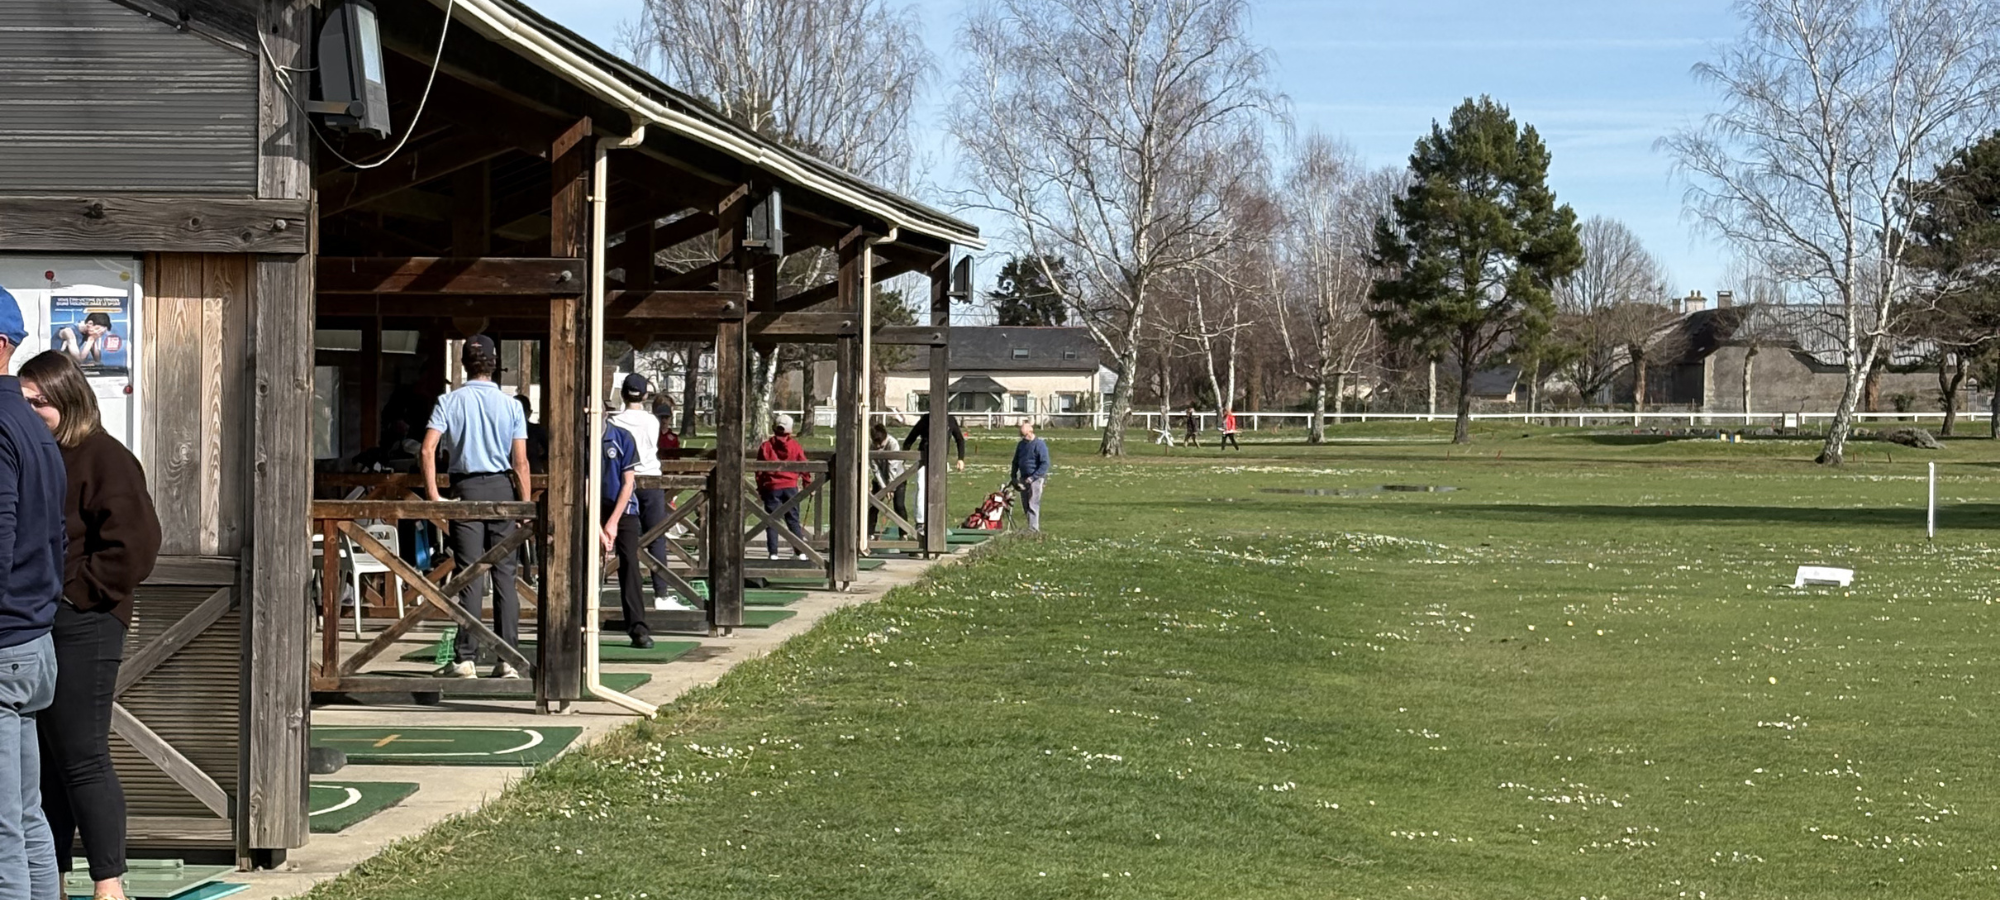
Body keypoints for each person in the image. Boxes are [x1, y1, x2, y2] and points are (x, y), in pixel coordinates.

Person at [20, 352, 159, 900]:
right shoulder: (33, 453)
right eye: (22, 401)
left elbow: (136, 547)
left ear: (67, 399)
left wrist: (76, 597)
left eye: (40, 403)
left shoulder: (105, 458)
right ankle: (49, 879)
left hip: (86, 622)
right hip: (38, 621)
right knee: (45, 762)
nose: (30, 411)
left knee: (81, 757)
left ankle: (109, 885)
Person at [0, 288, 69, 900]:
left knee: (4, 835)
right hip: (30, 639)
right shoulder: (29, 421)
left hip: (4, 643)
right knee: (25, 819)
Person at [422, 335, 532, 678]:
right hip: (502, 488)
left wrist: (433, 496)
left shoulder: (448, 401)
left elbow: (427, 450)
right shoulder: (511, 405)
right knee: (504, 575)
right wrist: (524, 507)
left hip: (466, 487)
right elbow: (521, 462)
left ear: (464, 364)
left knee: (469, 574)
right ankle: (508, 658)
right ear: (494, 363)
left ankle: (466, 656)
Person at [608, 375, 689, 610]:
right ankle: (661, 593)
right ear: (644, 396)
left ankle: (622, 588)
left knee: (623, 538)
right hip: (651, 479)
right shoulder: (652, 422)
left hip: (624, 480)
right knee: (656, 537)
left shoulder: (615, 422)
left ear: (623, 394)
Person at [598, 416, 651, 648]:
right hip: (591, 506)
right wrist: (598, 528)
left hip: (623, 507)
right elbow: (585, 484)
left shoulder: (621, 437)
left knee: (629, 561)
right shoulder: (582, 439)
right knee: (584, 563)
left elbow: (628, 484)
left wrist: (612, 523)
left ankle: (638, 628)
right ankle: (580, 623)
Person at [756, 415, 811, 561]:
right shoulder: (795, 446)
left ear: (774, 428)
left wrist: (760, 488)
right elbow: (804, 466)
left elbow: (759, 471)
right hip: (791, 487)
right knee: (793, 520)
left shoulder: (766, 446)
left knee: (772, 520)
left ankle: (773, 553)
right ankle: (800, 552)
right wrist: (807, 484)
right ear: (790, 430)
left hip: (772, 487)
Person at [903, 409, 965, 528]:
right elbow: (911, 437)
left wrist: (960, 458)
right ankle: (920, 522)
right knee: (921, 489)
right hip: (923, 460)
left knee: (939, 491)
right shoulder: (926, 420)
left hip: (940, 461)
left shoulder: (950, 420)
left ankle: (937, 521)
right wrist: (904, 456)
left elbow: (959, 439)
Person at [867, 423, 910, 541]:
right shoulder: (871, 447)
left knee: (899, 505)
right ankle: (869, 533)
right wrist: (884, 487)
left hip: (898, 478)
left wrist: (891, 487)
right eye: (876, 444)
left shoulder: (893, 443)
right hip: (880, 480)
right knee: (874, 505)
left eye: (880, 444)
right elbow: (875, 470)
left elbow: (893, 466)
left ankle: (904, 533)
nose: (878, 447)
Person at [1009, 420, 1051, 534]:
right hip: (1023, 477)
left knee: (1033, 503)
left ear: (1031, 432)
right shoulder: (1021, 445)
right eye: (1021, 435)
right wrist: (1013, 476)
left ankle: (1034, 529)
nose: (1023, 437)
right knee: (1026, 504)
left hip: (1036, 479)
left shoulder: (1039, 445)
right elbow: (1015, 461)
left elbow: (1045, 464)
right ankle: (1030, 527)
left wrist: (1033, 477)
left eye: (1024, 435)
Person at [515, 394, 549, 474]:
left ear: (529, 413)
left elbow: (549, 451)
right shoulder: (537, 430)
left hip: (533, 470)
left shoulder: (537, 431)